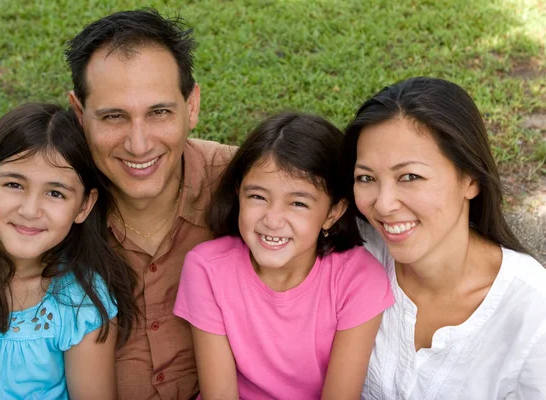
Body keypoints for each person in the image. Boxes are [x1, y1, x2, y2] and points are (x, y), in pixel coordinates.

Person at [65, 8, 235, 399]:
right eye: (113, 117)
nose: (138, 144)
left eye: (159, 112)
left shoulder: (248, 188)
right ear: (79, 114)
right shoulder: (47, 206)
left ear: (191, 106)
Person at [341, 76, 546, 399]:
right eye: (366, 177)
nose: (382, 203)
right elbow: (268, 176)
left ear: (471, 180)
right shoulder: (358, 248)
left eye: (410, 176)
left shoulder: (534, 313)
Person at [174, 112, 395, 399]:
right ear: (238, 193)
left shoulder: (359, 278)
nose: (273, 219)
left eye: (298, 203)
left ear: (332, 213)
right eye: (258, 197)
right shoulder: (207, 268)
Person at [0, 103, 136, 399]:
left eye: (55, 193)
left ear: (84, 205)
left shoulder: (80, 306)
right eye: (13, 184)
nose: (30, 210)